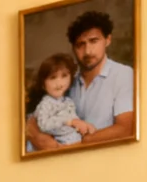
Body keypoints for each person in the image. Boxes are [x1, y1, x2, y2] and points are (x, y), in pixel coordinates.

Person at [27, 11, 134, 151]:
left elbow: (126, 128)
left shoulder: (123, 74)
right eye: (80, 44)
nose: (88, 51)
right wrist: (45, 141)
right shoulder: (66, 79)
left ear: (108, 40)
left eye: (94, 41)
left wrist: (80, 143)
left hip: (106, 160)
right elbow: (34, 120)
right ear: (73, 48)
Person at [27, 53, 93, 150]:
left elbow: (74, 119)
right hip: (54, 147)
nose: (59, 83)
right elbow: (44, 125)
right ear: (43, 83)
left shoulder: (68, 101)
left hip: (74, 144)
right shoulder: (46, 104)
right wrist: (69, 121)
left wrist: (85, 126)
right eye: (53, 78)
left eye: (64, 76)